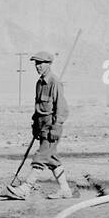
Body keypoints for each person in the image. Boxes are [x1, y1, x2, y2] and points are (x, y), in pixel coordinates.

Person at [25, 50, 72, 198]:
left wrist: (56, 127)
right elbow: (37, 108)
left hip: (51, 126)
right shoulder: (39, 83)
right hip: (42, 126)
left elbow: (62, 108)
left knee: (41, 156)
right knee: (52, 160)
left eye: (41, 63)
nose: (38, 66)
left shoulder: (55, 83)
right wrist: (35, 126)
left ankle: (26, 187)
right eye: (36, 63)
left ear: (49, 64)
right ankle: (65, 190)